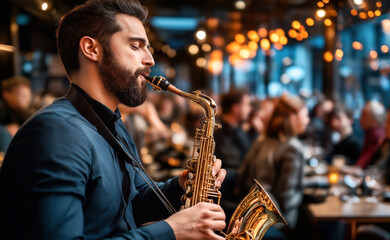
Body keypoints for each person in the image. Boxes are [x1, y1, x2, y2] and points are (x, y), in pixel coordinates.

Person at [0, 1, 227, 239]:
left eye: (147, 47)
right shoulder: (55, 133)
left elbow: (128, 208)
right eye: (136, 46)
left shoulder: (113, 123)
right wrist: (172, 231)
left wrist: (179, 187)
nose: (150, 59)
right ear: (91, 49)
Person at [235, 93, 310, 239]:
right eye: (305, 115)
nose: (308, 120)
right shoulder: (293, 147)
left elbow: (243, 176)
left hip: (249, 215)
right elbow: (287, 199)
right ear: (293, 116)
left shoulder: (262, 140)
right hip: (278, 222)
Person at [356, 100, 386, 168]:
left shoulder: (376, 135)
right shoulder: (370, 133)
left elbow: (363, 164)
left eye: (364, 115)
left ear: (375, 119)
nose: (360, 118)